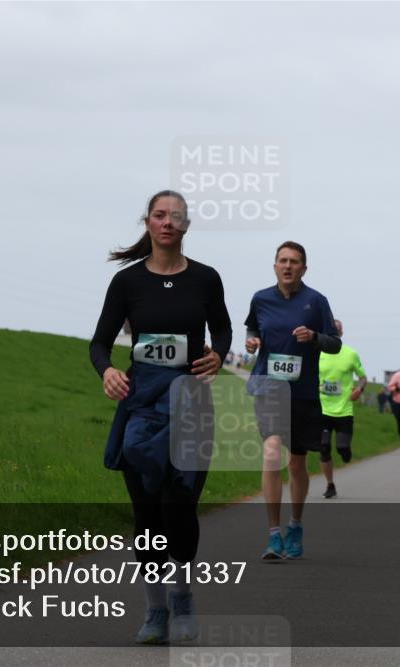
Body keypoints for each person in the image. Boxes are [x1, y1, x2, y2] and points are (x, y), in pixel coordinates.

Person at [89, 190, 231, 644]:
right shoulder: (128, 283)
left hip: (190, 405)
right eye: (159, 215)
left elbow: (223, 327)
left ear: (187, 226)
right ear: (148, 222)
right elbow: (99, 342)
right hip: (142, 406)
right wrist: (108, 369)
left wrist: (219, 355)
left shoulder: (206, 279)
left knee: (179, 506)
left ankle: (183, 597)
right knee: (147, 512)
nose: (168, 222)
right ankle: (154, 610)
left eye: (176, 216)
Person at [245, 241, 339, 560]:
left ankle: (295, 525)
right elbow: (252, 328)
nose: (288, 266)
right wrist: (252, 340)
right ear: (274, 266)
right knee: (272, 452)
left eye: (294, 262)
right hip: (269, 387)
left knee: (297, 463)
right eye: (282, 261)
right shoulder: (261, 299)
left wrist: (313, 337)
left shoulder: (317, 301)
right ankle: (273, 535)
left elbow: (335, 344)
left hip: (303, 392)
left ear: (303, 268)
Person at [315, 319, 366, 498]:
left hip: (344, 411)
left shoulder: (350, 354)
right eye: (330, 332)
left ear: (341, 334)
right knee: (323, 447)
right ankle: (330, 485)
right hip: (322, 409)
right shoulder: (316, 353)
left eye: (337, 332)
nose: (333, 334)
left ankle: (346, 451)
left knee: (342, 449)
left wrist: (359, 389)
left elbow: (362, 377)